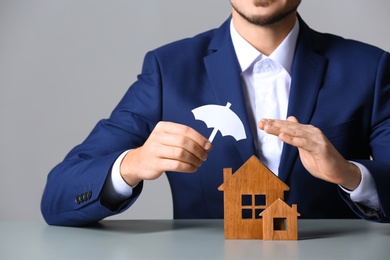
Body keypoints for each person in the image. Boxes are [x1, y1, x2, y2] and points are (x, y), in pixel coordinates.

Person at [41, 0, 390, 226]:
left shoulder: (369, 68)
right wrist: (133, 163)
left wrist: (350, 174)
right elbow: (59, 193)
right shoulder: (169, 69)